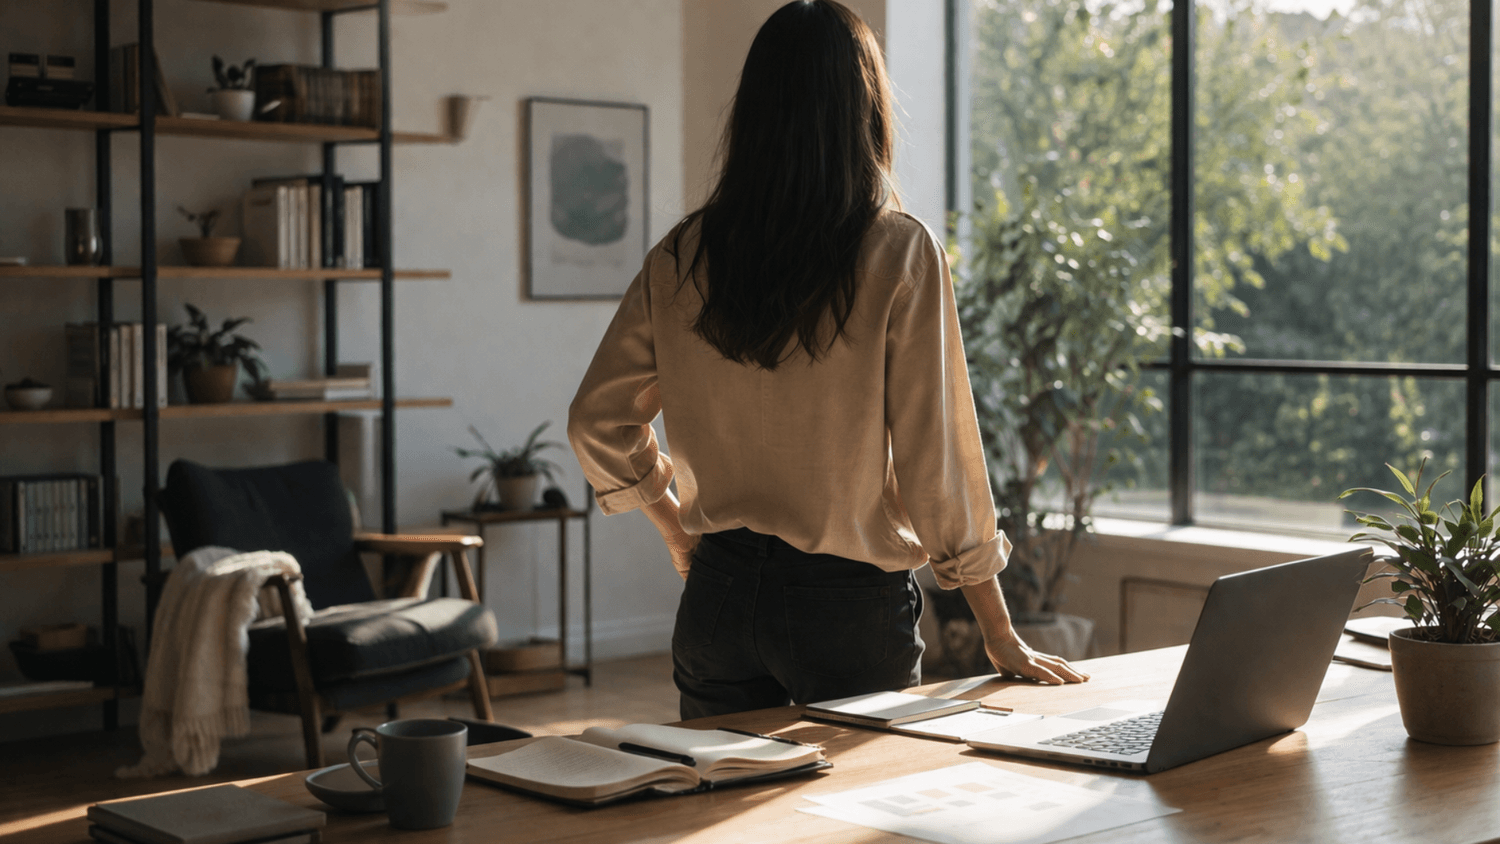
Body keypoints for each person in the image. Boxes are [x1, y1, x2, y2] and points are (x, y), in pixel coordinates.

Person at [567, 0, 1088, 720]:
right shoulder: (898, 252)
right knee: (863, 825)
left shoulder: (682, 255)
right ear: (863, 110)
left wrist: (676, 533)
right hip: (847, 609)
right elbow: (936, 461)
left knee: (715, 829)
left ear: (751, 114)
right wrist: (998, 631)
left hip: (717, 596)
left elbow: (596, 421)